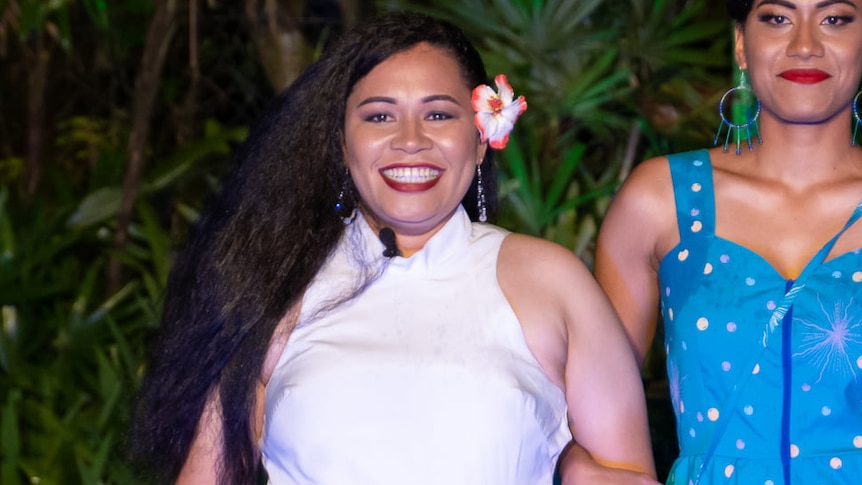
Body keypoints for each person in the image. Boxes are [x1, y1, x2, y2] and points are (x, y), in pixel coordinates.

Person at [128, 11, 658, 485]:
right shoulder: (273, 285)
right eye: (379, 116)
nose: (410, 139)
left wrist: (573, 466)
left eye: (438, 114)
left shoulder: (552, 281)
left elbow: (625, 474)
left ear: (480, 139)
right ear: (341, 143)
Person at [592, 0, 862, 483]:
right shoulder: (659, 199)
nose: (805, 44)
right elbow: (595, 411)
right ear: (741, 43)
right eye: (777, 18)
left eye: (834, 19)